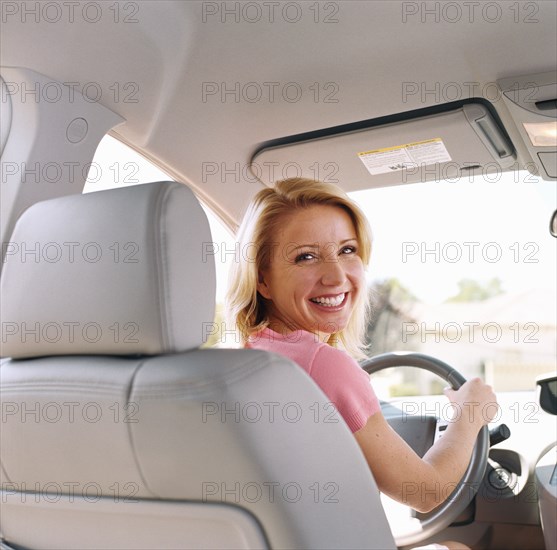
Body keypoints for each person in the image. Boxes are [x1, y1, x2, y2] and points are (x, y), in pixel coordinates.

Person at [226, 177, 497, 550]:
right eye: (305, 256)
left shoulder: (242, 362)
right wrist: (471, 414)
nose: (337, 276)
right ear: (262, 280)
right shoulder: (323, 365)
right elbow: (427, 492)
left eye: (348, 250)